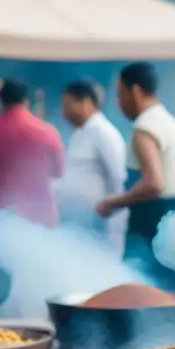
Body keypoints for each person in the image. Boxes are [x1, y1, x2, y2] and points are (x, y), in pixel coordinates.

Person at [99, 62, 175, 289]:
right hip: (174, 221)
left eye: (120, 95)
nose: (119, 103)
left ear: (136, 92)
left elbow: (155, 183)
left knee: (136, 291)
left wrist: (114, 202)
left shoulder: (145, 128)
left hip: (151, 224)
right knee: (171, 293)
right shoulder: (169, 121)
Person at [0, 79, 64, 227]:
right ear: (26, 100)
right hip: (40, 218)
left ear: (0, 100)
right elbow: (58, 172)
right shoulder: (49, 132)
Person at [56, 81, 127, 250]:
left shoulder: (104, 133)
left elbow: (118, 179)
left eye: (67, 105)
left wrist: (113, 224)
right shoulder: (79, 134)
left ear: (85, 103)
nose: (64, 113)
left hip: (99, 226)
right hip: (78, 225)